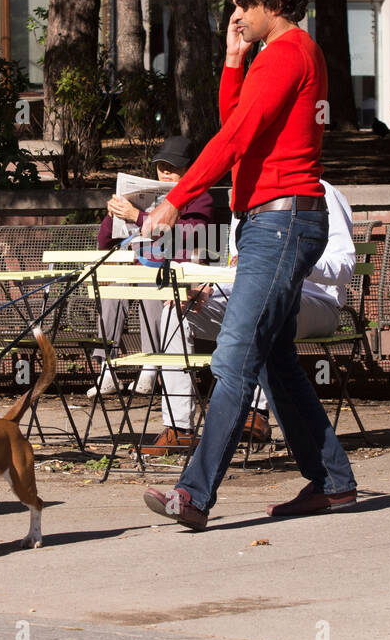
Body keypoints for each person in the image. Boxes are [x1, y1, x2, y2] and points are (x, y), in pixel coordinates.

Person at [139, 0, 357, 529]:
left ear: (273, 3)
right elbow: (240, 122)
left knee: (235, 354)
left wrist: (175, 198)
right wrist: (233, 61)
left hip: (282, 220)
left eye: (244, 5)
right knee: (274, 360)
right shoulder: (273, 54)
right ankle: (333, 481)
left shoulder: (288, 52)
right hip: (273, 219)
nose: (236, 14)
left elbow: (235, 135)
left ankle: (194, 494)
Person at [151, 179, 355, 455]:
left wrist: (290, 259)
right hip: (256, 297)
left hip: (317, 302)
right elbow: (241, 269)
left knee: (263, 305)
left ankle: (255, 414)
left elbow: (345, 267)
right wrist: (211, 286)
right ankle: (179, 428)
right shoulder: (245, 195)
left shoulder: (318, 191)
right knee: (177, 310)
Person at [90, 136, 214, 398]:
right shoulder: (139, 195)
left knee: (151, 282)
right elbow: (105, 241)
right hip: (136, 264)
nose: (165, 172)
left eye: (173, 167)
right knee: (115, 287)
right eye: (161, 166)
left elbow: (194, 236)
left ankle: (151, 366)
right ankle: (107, 369)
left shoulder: (199, 199)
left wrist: (138, 217)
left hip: (175, 270)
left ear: (189, 169)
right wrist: (112, 215)